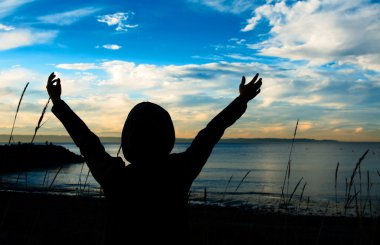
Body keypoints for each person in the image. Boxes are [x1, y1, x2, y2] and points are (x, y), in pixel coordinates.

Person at [46, 72, 262, 244]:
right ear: (167, 136)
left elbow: (87, 143)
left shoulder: (115, 176)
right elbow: (211, 133)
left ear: (127, 139)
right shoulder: (179, 171)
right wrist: (242, 100)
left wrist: (57, 101)